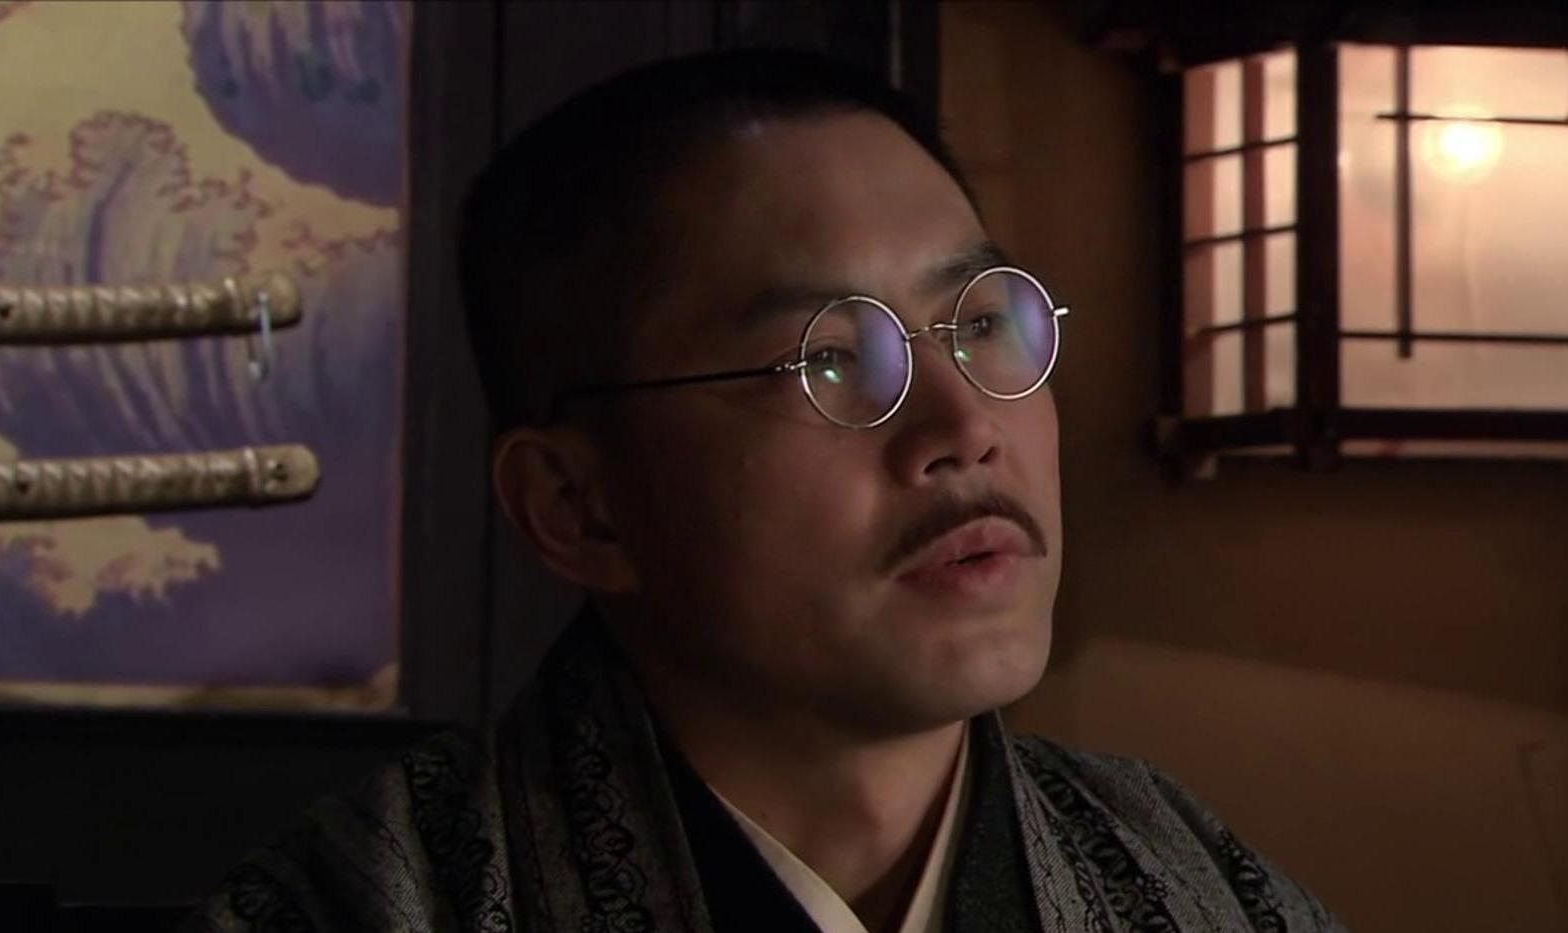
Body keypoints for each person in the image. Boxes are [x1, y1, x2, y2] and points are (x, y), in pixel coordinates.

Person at [184, 49, 1344, 933]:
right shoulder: (359, 906)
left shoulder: (1194, 884)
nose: (962, 430)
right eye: (828, 359)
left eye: (983, 325)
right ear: (576, 506)